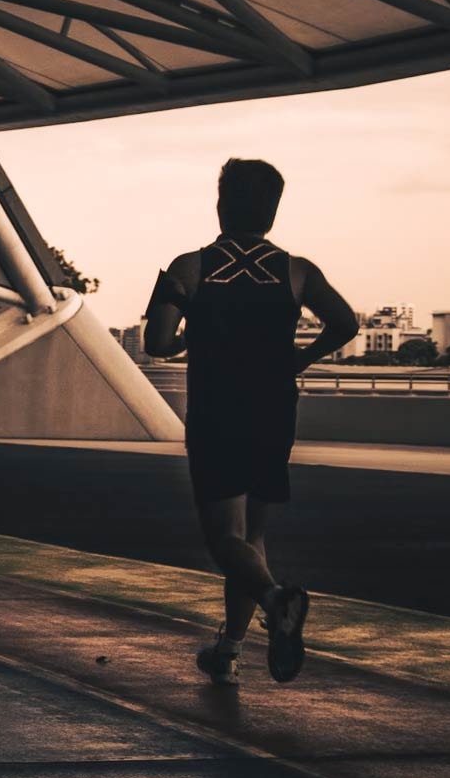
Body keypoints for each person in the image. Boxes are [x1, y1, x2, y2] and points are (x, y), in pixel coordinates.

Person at [143, 158, 357, 686]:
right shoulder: (297, 270)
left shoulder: (189, 268)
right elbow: (346, 323)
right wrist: (299, 360)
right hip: (273, 410)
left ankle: (274, 599)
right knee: (252, 535)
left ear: (221, 204)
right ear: (273, 211)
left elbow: (156, 343)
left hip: (217, 412)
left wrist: (194, 335)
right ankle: (230, 651)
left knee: (224, 539)